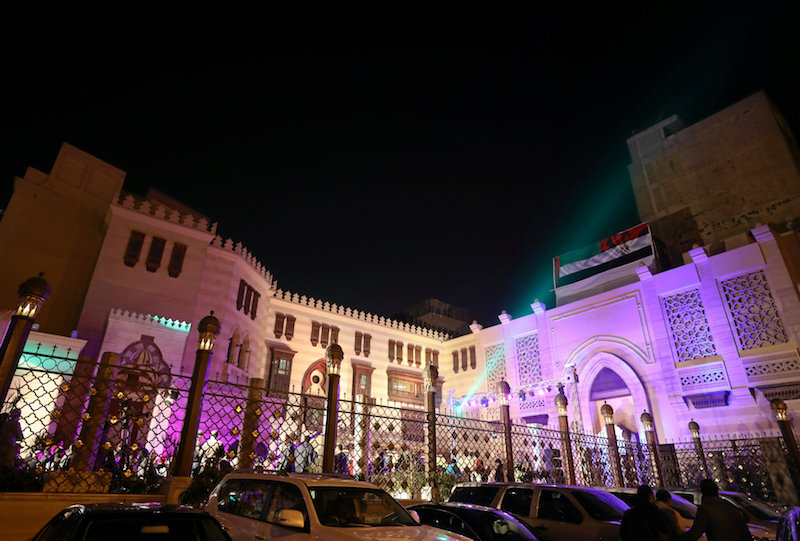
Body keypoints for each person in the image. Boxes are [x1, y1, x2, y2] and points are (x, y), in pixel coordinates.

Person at [678, 479, 751, 541]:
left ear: (703, 494)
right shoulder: (731, 508)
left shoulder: (705, 509)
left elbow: (695, 534)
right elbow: (746, 534)